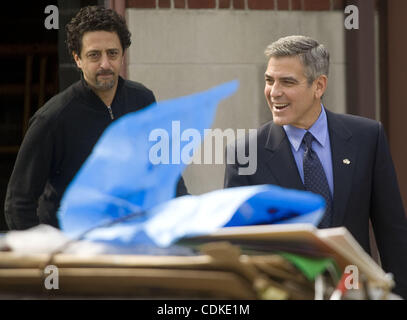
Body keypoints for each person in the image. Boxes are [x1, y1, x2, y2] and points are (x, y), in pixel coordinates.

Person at [224, 35, 407, 298]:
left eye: (287, 82)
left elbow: (393, 234)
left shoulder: (367, 137)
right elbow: (234, 245)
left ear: (318, 86)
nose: (274, 92)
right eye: (269, 80)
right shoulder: (244, 152)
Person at [4, 6, 187, 231]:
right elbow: (18, 202)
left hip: (133, 241)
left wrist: (185, 225)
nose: (105, 64)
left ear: (122, 54)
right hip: (75, 252)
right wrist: (45, 253)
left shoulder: (143, 100)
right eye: (94, 55)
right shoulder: (52, 118)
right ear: (77, 59)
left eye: (112, 53)